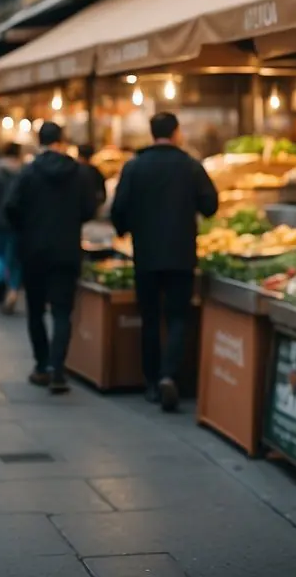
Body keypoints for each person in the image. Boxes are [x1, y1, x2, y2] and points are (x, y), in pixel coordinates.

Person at [110, 112, 219, 411]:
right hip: (181, 254)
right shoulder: (190, 166)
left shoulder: (134, 167)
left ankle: (150, 383)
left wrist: (126, 229)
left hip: (145, 254)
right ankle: (169, 376)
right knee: (177, 318)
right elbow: (211, 205)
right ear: (176, 132)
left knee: (149, 319)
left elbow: (117, 209)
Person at [4, 124, 99, 394]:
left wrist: (25, 228)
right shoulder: (79, 173)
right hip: (66, 249)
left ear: (40, 141)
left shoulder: (28, 172)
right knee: (61, 311)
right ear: (62, 140)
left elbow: (10, 207)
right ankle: (58, 369)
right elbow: (89, 209)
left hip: (33, 250)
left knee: (35, 310)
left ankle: (41, 366)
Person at [0, 142, 23, 312]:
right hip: (18, 220)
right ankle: (13, 289)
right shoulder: (24, 171)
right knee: (15, 256)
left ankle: (1, 278)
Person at [76, 144, 107, 215]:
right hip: (91, 210)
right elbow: (102, 193)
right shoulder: (95, 171)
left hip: (74, 211)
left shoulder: (72, 170)